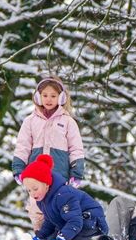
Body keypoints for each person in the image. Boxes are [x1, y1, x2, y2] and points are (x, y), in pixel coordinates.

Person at [20, 154, 107, 240]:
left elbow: (75, 222)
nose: (32, 193)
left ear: (46, 183)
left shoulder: (63, 194)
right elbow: (50, 220)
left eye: (35, 188)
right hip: (71, 222)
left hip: (89, 219)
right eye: (29, 190)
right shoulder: (43, 200)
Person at [12, 76, 85, 232]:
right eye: (45, 95)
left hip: (59, 175)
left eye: (53, 96)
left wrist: (77, 173)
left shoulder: (68, 122)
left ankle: (60, 234)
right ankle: (40, 233)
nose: (49, 99)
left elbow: (76, 148)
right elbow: (22, 146)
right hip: (35, 176)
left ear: (61, 97)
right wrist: (18, 168)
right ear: (38, 96)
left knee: (59, 204)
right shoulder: (30, 121)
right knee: (36, 205)